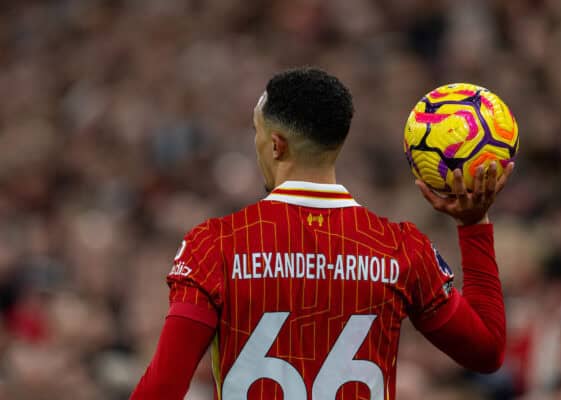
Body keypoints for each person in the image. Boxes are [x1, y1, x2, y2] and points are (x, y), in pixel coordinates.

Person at [131, 67, 513, 399]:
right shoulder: (401, 249)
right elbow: (487, 353)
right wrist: (473, 225)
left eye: (257, 133)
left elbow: (161, 390)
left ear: (277, 145)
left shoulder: (214, 245)